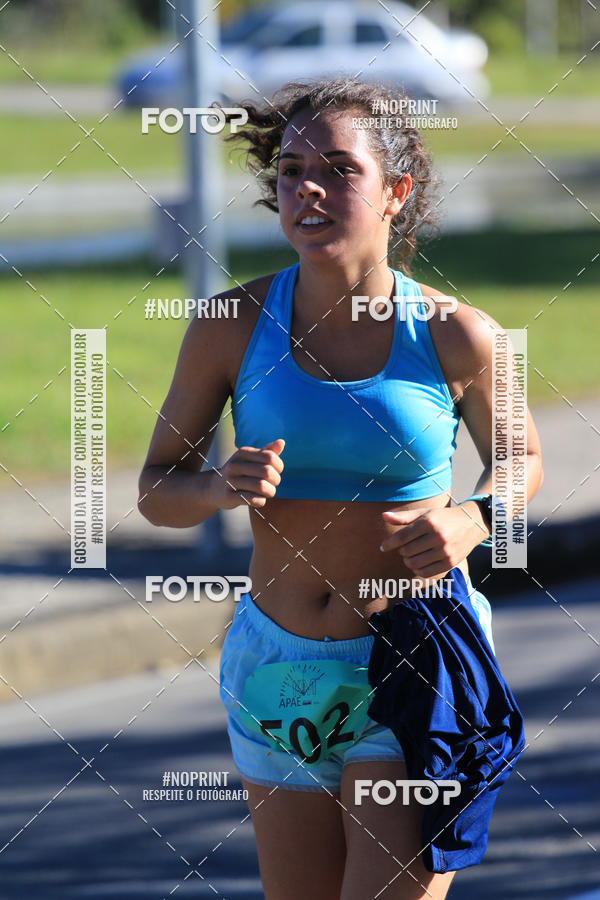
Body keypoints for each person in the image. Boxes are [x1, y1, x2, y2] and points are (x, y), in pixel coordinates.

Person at [138, 79, 543, 900]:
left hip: (412, 656)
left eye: (338, 169)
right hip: (278, 663)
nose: (308, 189)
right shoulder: (230, 324)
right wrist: (217, 488)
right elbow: (156, 489)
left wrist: (474, 519)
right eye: (291, 171)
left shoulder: (457, 333)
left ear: (395, 192)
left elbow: (523, 459)